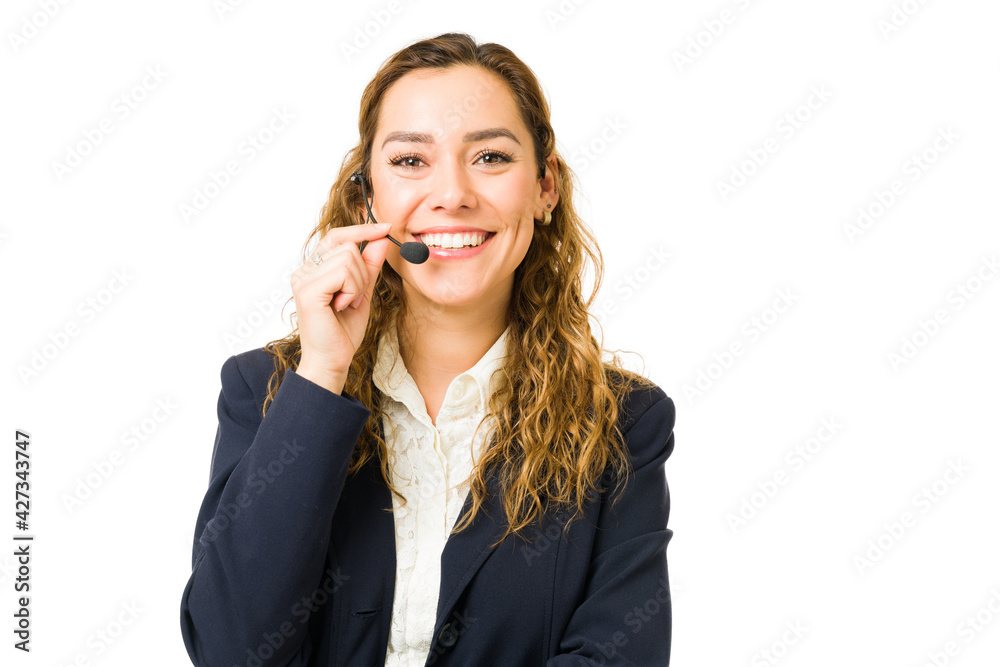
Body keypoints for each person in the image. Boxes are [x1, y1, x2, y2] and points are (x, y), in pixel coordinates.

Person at [179, 32, 676, 667]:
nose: (453, 194)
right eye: (411, 161)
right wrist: (323, 375)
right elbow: (230, 651)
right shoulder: (271, 389)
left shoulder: (624, 420)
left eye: (491, 157)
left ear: (545, 187)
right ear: (368, 196)